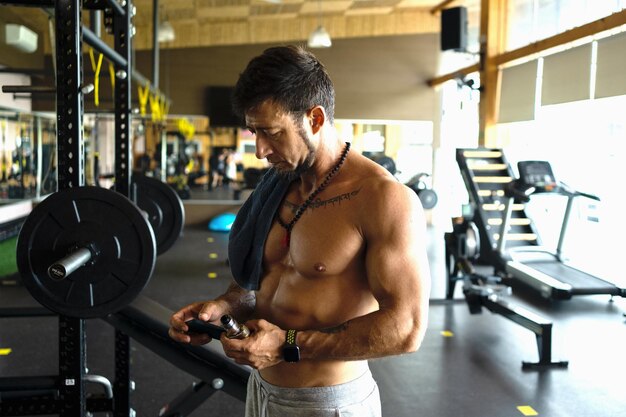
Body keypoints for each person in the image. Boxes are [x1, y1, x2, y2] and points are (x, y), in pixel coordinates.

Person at [168, 45, 431, 417]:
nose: (260, 150)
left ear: (315, 118)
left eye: (271, 133)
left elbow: (406, 328)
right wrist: (224, 308)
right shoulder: (278, 186)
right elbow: (260, 286)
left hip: (328, 404)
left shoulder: (382, 199)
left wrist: (286, 344)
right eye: (254, 132)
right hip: (262, 391)